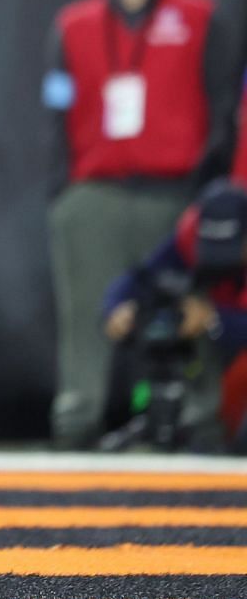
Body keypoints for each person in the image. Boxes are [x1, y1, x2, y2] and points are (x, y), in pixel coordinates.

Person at [42, 0, 235, 447]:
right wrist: (64, 191)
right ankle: (77, 420)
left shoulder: (197, 15)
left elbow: (222, 104)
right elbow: (55, 109)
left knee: (192, 310)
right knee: (86, 319)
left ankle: (201, 422)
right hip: (95, 192)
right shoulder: (73, 24)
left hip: (174, 191)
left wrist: (207, 190)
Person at [101, 180, 247, 452]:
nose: (221, 261)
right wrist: (117, 306)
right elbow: (141, 277)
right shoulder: (189, 235)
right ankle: (196, 426)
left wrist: (214, 319)